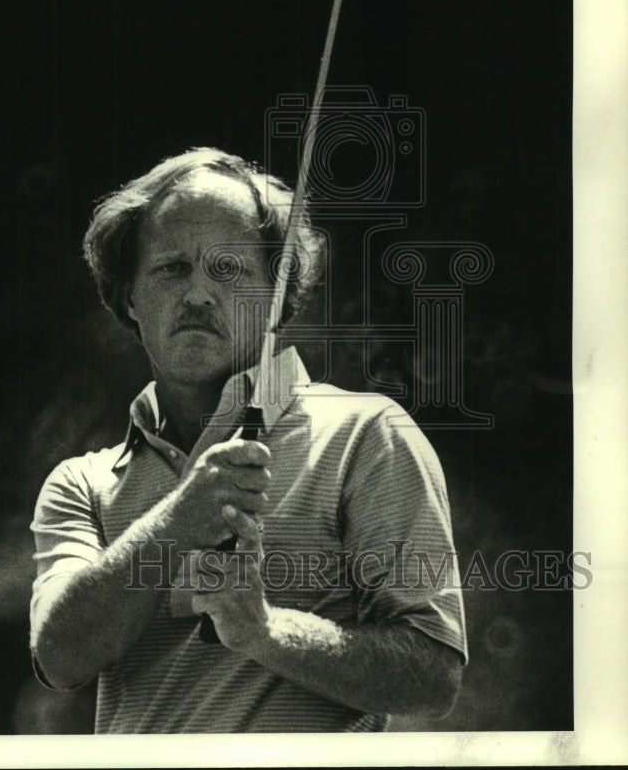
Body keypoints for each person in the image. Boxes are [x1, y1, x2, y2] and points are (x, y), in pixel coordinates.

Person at [29, 147, 467, 733]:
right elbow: (59, 660)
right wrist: (180, 521)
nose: (199, 294)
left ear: (278, 296)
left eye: (229, 268)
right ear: (130, 296)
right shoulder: (80, 484)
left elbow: (434, 675)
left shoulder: (368, 435)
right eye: (171, 268)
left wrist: (265, 631)